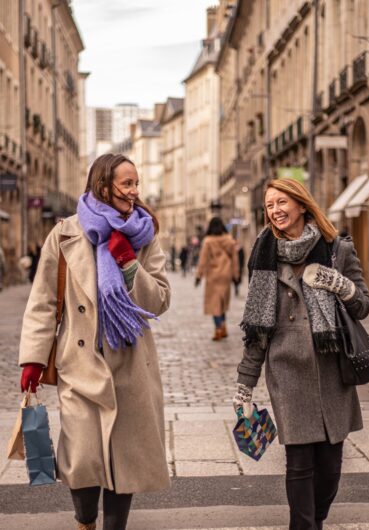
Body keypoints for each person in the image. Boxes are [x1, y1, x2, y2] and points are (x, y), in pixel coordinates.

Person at [19, 153, 171, 530]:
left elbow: (160, 301)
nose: (134, 191)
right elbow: (42, 301)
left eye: (137, 183)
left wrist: (129, 264)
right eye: (127, 183)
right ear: (103, 185)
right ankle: (85, 519)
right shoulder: (66, 233)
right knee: (83, 456)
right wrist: (33, 361)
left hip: (130, 361)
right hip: (80, 363)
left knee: (125, 458)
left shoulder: (144, 233)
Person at [233, 178, 369, 530]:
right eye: (269, 205)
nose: (275, 210)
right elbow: (257, 330)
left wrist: (341, 286)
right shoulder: (263, 256)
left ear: (301, 205)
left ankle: (316, 520)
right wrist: (243, 386)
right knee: (298, 464)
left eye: (281, 202)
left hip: (332, 372)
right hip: (288, 373)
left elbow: (364, 306)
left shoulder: (337, 249)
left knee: (330, 470)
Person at [195, 217, 239, 341]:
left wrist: (199, 276)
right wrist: (236, 275)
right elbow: (234, 259)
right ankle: (224, 326)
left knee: (214, 303)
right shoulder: (229, 240)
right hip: (226, 274)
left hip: (213, 275)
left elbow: (203, 260)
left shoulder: (208, 241)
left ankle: (218, 328)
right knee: (222, 301)